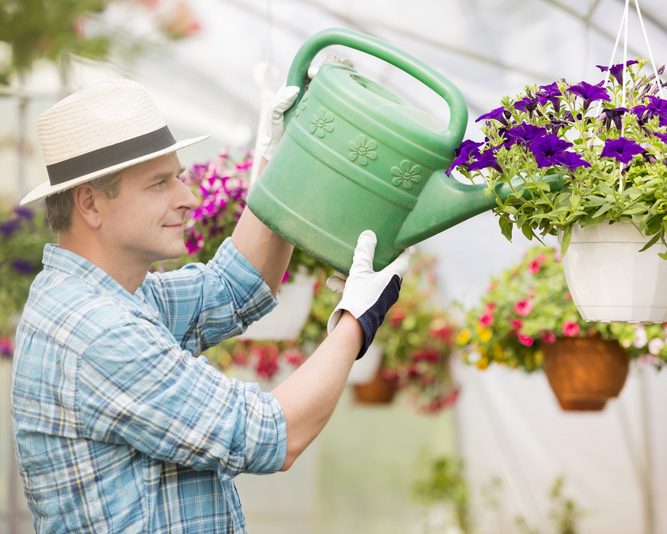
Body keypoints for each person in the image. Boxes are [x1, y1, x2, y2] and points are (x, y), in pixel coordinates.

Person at [10, 77, 410, 532]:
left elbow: (233, 287)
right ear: (90, 204)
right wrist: (358, 318)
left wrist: (284, 170)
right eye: (159, 184)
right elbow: (274, 434)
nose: (189, 198)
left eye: (177, 176)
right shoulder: (99, 331)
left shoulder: (101, 294)